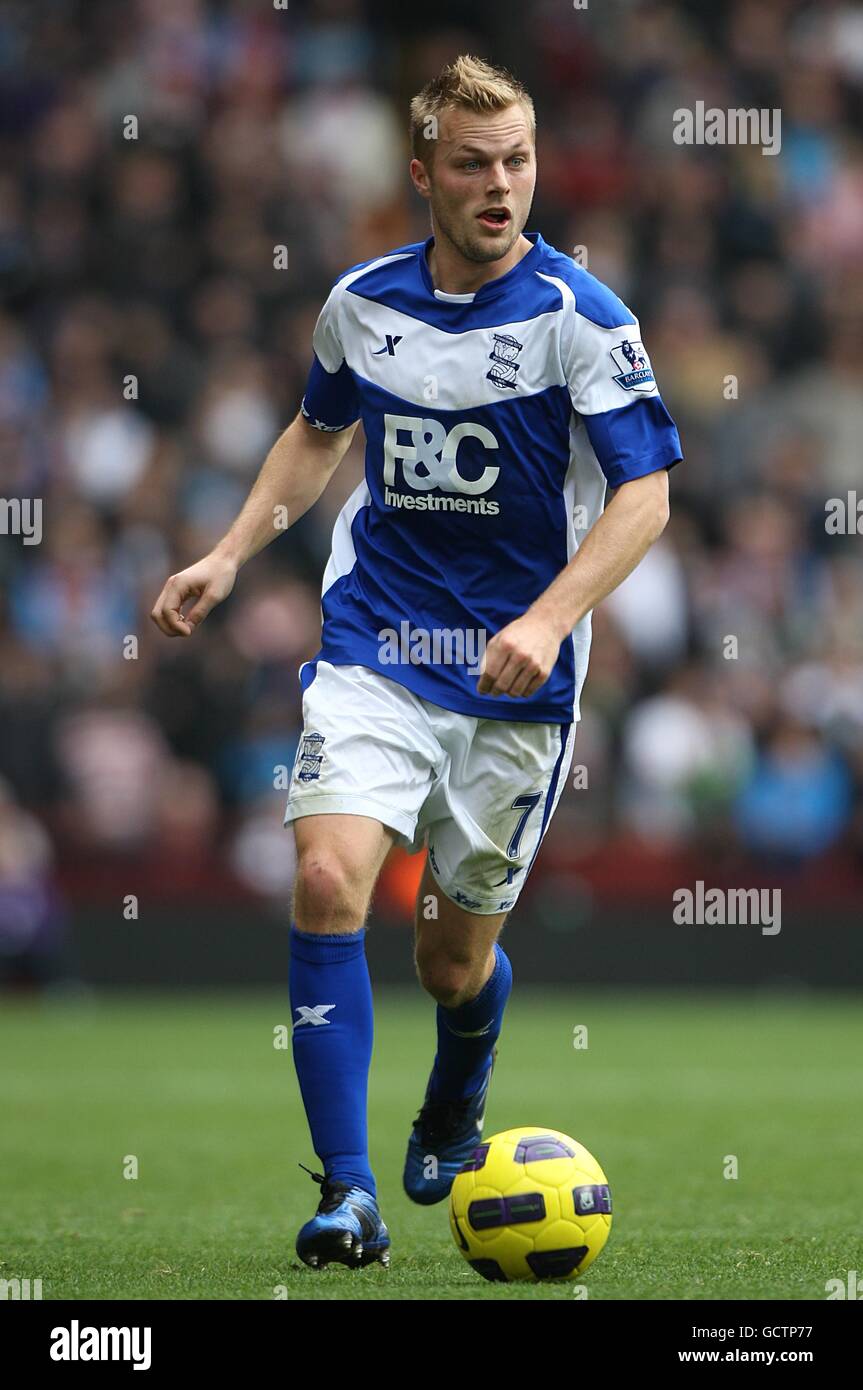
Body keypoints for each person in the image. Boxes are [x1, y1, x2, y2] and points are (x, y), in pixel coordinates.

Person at [150, 54, 682, 1271]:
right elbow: (316, 431)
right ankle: (348, 1195)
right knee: (326, 879)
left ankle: (455, 1093)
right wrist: (228, 553)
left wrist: (546, 618)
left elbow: (644, 496)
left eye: (517, 161)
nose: (499, 185)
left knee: (449, 962)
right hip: (378, 644)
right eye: (471, 164)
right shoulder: (361, 302)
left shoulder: (581, 318)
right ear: (422, 176)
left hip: (512, 678)